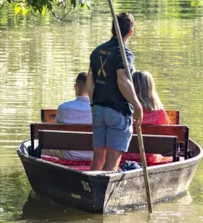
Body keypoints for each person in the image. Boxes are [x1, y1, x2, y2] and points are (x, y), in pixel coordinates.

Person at [86, 12, 143, 172]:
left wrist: (93, 102)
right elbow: (122, 80)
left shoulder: (97, 51)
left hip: (98, 109)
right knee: (111, 161)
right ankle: (103, 193)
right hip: (118, 111)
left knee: (98, 157)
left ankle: (92, 191)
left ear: (112, 29)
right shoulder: (124, 54)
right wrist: (137, 106)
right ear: (130, 32)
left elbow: (90, 79)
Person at [50, 72, 92, 161]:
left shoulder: (64, 108)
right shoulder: (99, 109)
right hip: (95, 156)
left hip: (68, 155)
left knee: (43, 146)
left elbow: (55, 132)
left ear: (75, 87)